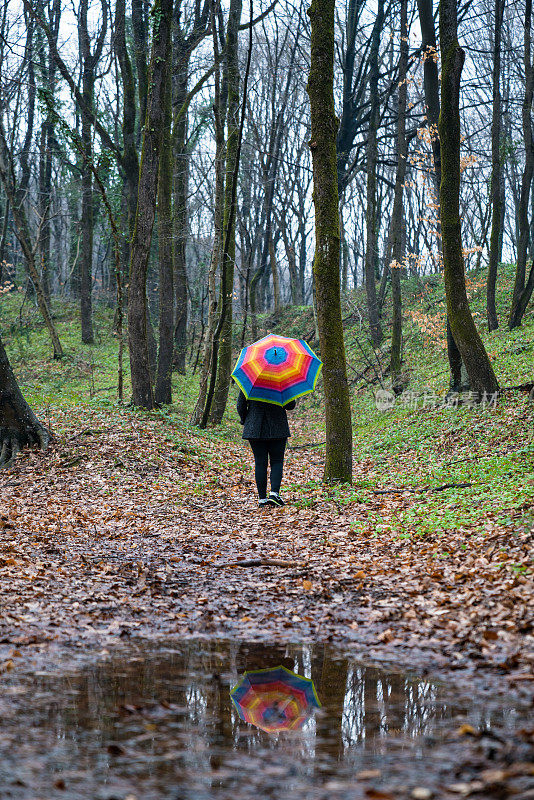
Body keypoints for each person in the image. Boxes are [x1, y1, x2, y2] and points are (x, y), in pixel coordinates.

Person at [237, 389, 296, 507]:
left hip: (254, 427)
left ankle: (262, 499)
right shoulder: (281, 380)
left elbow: (240, 405)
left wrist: (245, 420)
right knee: (277, 461)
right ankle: (274, 494)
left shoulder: (251, 380)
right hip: (278, 426)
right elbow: (290, 405)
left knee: (260, 462)